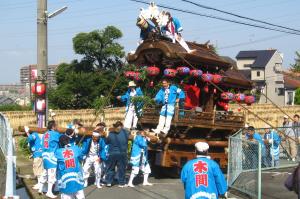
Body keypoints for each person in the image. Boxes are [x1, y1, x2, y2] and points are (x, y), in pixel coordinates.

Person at [55, 135, 85, 199]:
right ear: (69, 141)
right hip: (77, 178)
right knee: (80, 195)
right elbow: (81, 157)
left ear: (60, 143)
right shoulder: (76, 148)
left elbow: (56, 163)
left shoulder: (58, 152)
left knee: (66, 195)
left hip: (65, 179)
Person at [40, 120, 61, 198]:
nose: (57, 127)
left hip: (45, 155)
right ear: (53, 127)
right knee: (52, 174)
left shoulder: (45, 134)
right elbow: (61, 141)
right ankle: (49, 192)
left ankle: (41, 188)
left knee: (45, 172)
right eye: (56, 126)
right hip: (52, 156)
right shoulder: (55, 134)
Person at [104, 121, 129, 187]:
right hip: (122, 153)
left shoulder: (110, 134)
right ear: (121, 126)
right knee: (121, 168)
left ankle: (109, 182)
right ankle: (121, 183)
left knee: (110, 168)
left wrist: (106, 135)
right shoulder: (126, 133)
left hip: (112, 153)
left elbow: (106, 142)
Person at [24, 127, 44, 191]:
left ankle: (40, 184)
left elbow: (30, 138)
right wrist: (32, 155)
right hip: (37, 154)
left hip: (38, 155)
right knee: (38, 169)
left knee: (37, 169)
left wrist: (27, 132)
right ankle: (39, 183)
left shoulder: (34, 134)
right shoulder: (35, 135)